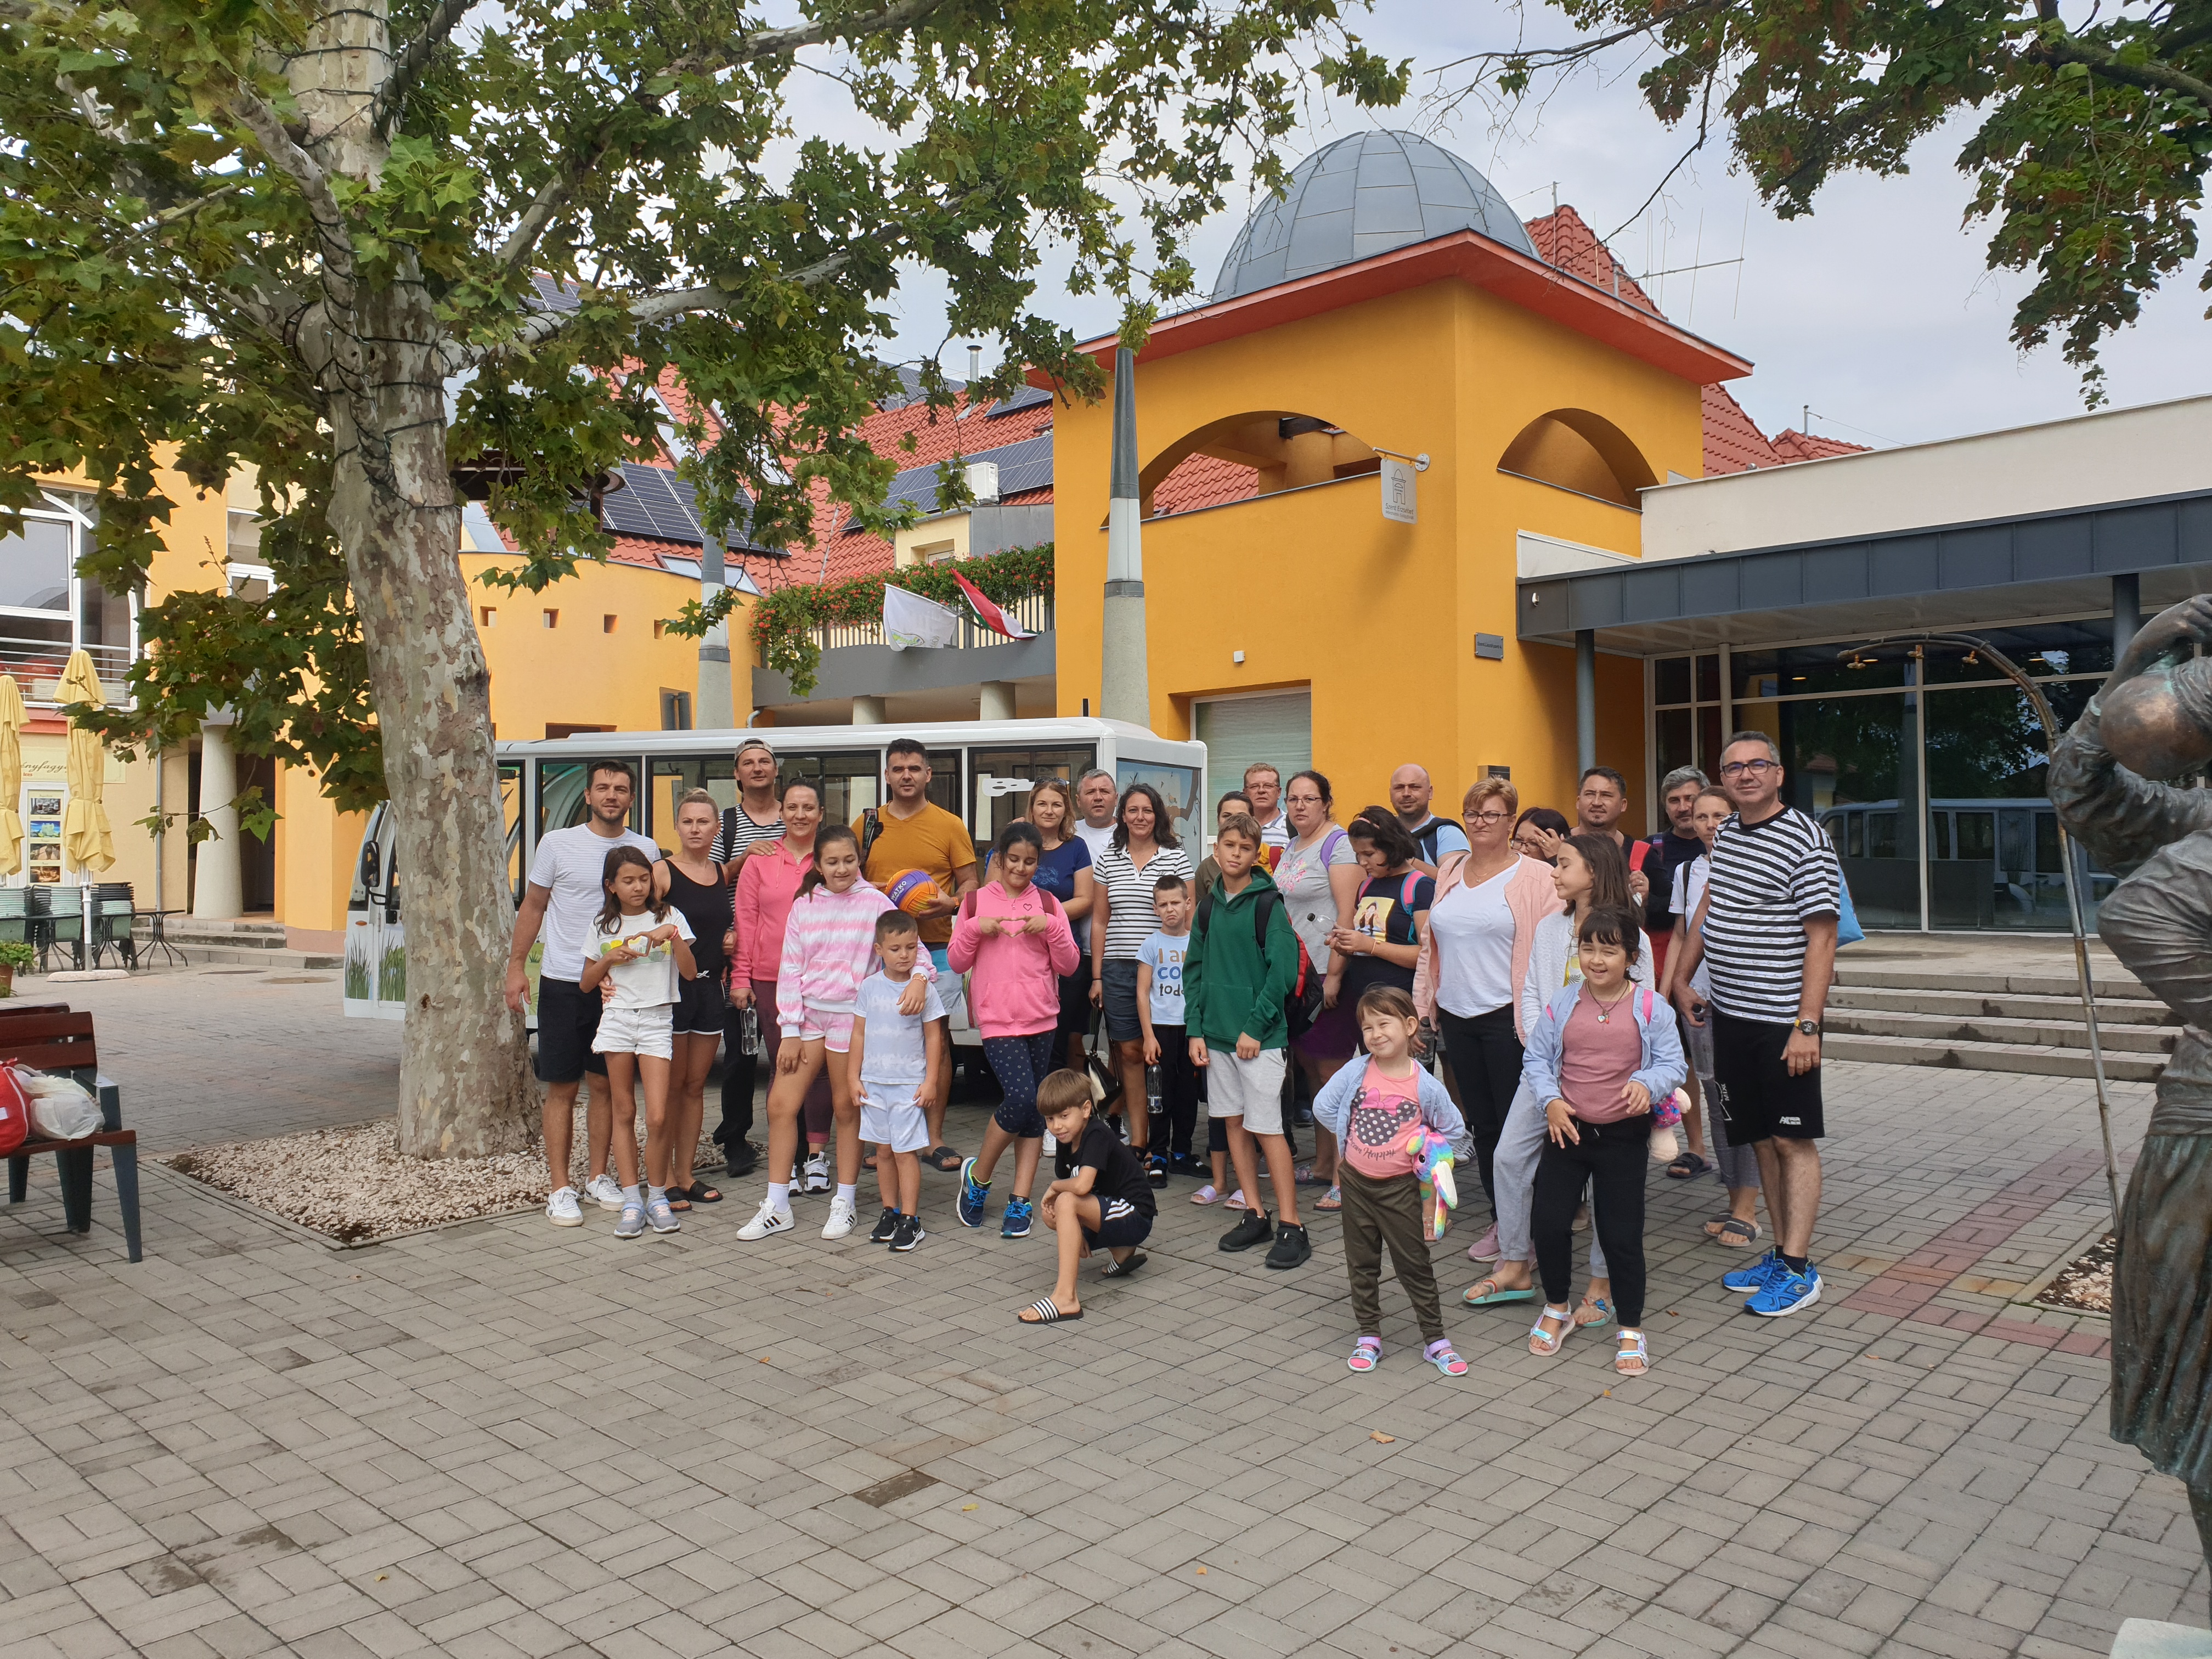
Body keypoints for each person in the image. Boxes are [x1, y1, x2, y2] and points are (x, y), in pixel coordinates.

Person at [1671, 731, 1839, 1319]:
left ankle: (1799, 1269)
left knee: (1793, 1139)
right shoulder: (1729, 836)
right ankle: (1780, 1252)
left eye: (1757, 765)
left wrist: (1807, 1025)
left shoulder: (1806, 840)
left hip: (1781, 1021)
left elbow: (1822, 937)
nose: (1745, 775)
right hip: (1731, 1016)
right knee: (1762, 1139)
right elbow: (1709, 908)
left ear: (1779, 774)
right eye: (1734, 767)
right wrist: (1681, 978)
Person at [1465, 833, 1653, 1319]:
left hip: (1609, 1078)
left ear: (1594, 870)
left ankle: (1602, 1282)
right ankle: (1515, 1263)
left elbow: (1646, 1006)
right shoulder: (1551, 927)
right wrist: (1542, 1049)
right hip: (1547, 1071)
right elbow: (1531, 992)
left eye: (1564, 864)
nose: (1554, 872)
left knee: (1606, 1182)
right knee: (1509, 1157)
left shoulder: (1630, 932)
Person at [736, 824, 934, 1243]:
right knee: (781, 1105)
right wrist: (790, 1029)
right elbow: (790, 968)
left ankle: (844, 1201)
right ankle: (777, 1206)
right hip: (808, 1021)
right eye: (832, 861)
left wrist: (919, 978)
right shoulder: (804, 905)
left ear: (859, 859)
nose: (841, 868)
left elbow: (916, 953)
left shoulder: (876, 903)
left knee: (847, 1108)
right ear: (819, 865)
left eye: (849, 860)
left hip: (852, 1021)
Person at [1522, 904, 1685, 1375]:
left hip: (1623, 1137)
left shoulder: (1651, 1007)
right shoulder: (1563, 1002)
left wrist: (1648, 1082)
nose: (1596, 959)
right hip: (1568, 1132)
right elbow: (1536, 1059)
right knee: (1549, 1223)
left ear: (1631, 957)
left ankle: (1631, 1328)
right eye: (1588, 948)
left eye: (1609, 951)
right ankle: (1556, 1308)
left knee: (1621, 1235)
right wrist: (1551, 1101)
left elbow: (1674, 1065)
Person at [505, 759, 661, 1227]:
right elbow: (534, 905)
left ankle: (598, 1177)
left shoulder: (646, 848)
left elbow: (659, 911)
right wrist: (516, 967)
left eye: (621, 789)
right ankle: (560, 1188)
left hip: (619, 989)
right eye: (603, 788)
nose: (612, 795)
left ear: (631, 798)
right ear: (589, 796)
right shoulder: (557, 844)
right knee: (563, 1087)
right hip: (564, 982)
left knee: (605, 1087)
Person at [1413, 777, 1561, 1262]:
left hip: (1510, 1020)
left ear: (1511, 821)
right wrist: (1423, 1007)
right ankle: (1505, 1222)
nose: (1480, 823)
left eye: (1492, 814)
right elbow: (1430, 946)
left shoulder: (1537, 876)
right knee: (1484, 1127)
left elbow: (1554, 950)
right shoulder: (1451, 869)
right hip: (1457, 1016)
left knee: (1521, 1132)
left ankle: (1538, 1229)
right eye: (1473, 814)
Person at [1313, 986, 1469, 1377]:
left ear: (1410, 1025)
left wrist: (1427, 1149)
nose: (1376, 1034)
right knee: (1361, 1263)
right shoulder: (1356, 1071)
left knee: (1414, 1264)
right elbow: (1323, 1106)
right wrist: (1349, 1140)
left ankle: (1435, 1340)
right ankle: (1369, 1335)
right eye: (1368, 1028)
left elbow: (1455, 1130)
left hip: (1400, 1190)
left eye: (1384, 1024)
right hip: (1355, 1183)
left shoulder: (1425, 1085)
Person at [1183, 811, 1309, 1268]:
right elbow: (1194, 971)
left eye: (1245, 848)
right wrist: (1195, 1030)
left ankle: (1292, 1224)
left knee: (1267, 1129)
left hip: (1260, 1039)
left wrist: (1255, 1028)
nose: (1235, 854)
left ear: (1256, 855)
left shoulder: (1268, 905)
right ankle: (1255, 1213)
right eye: (1229, 845)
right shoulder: (1207, 907)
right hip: (1216, 1038)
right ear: (1216, 851)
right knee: (1233, 1124)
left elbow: (1282, 973)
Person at [951, 821, 1081, 1239]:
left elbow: (1069, 966)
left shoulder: (1048, 903)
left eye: (1029, 861)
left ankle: (1020, 1198)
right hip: (997, 1019)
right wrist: (976, 928)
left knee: (1035, 1109)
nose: (1021, 868)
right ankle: (979, 1177)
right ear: (999, 858)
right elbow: (956, 961)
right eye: (1013, 860)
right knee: (1022, 1097)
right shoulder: (975, 902)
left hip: (1041, 1016)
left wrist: (1052, 927)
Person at [854, 738, 977, 1171]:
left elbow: (971, 885)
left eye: (914, 768)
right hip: (879, 953)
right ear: (887, 775)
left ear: (928, 774)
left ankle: (931, 1138)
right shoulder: (867, 824)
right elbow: (846, 876)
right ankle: (885, 1139)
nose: (906, 775)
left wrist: (950, 903)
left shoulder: (949, 825)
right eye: (898, 768)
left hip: (937, 948)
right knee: (880, 1039)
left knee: (935, 1041)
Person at [1663, 785, 1766, 1249]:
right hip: (1699, 1000)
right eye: (1702, 817)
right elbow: (1681, 935)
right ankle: (1733, 1198)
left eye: (1720, 816)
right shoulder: (1687, 871)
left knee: (1743, 1100)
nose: (1709, 825)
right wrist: (1670, 991)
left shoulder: (1755, 865)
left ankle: (1749, 1207)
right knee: (1716, 1098)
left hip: (1747, 1001)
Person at [578, 845, 698, 1239]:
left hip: (657, 1019)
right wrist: (609, 960)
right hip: (617, 1020)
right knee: (624, 1110)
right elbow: (586, 983)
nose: (638, 887)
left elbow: (690, 973)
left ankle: (658, 1197)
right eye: (628, 881)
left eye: (644, 879)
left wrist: (672, 936)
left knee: (658, 1115)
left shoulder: (669, 916)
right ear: (611, 886)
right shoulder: (602, 925)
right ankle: (632, 1201)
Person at [1316, 809, 1434, 1211]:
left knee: (1407, 1100)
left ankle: (1417, 1188)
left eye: (1369, 854)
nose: (1363, 862)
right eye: (1358, 855)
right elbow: (1363, 934)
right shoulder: (1368, 884)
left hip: (1400, 1008)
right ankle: (1353, 1176)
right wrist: (1345, 945)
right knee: (1365, 1093)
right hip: (1363, 1002)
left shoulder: (1419, 887)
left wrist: (1369, 946)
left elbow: (1426, 954)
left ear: (1391, 845)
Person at [730, 780, 836, 1194]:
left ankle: (816, 1156)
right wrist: (741, 977)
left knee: (822, 1070)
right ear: (782, 813)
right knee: (784, 1064)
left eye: (808, 807)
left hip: (823, 980)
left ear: (821, 813)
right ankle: (786, 1159)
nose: (800, 815)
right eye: (792, 807)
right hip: (771, 978)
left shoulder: (830, 860)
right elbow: (746, 921)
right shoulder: (760, 861)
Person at [1089, 782, 1195, 1165]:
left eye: (1147, 810)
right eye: (1133, 810)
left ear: (1158, 815)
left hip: (1167, 968)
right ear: (1122, 816)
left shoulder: (1175, 856)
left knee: (1166, 1053)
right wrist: (1097, 977)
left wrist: (1190, 968)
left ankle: (1168, 1141)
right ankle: (1140, 1139)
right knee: (1130, 1053)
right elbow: (1100, 921)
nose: (1140, 817)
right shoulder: (1109, 858)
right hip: (1119, 968)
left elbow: (1190, 916)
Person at [1015, 1070, 1158, 1324]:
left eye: (1064, 1116)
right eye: (1050, 1119)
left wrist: (1054, 1188)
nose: (1057, 1126)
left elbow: (1081, 1186)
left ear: (1085, 1109)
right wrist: (1075, 1229)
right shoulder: (1066, 1140)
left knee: (1065, 1201)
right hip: (1111, 1211)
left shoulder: (1096, 1133)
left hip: (1136, 1214)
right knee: (1053, 1214)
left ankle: (1066, 1298)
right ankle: (1122, 1251)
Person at [1277, 770, 1361, 1187]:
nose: (1300, 806)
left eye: (1309, 799)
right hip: (1299, 975)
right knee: (1312, 1072)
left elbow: (1347, 914)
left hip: (1327, 972)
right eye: (1293, 799)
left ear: (1327, 803)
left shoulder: (1338, 845)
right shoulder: (1293, 845)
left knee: (1333, 1074)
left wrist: (1336, 975)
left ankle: (1346, 1176)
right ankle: (1325, 1163)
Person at [652, 789, 731, 1211]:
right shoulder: (662, 873)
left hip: (709, 989)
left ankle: (686, 1174)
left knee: (696, 1086)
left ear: (716, 828)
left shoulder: (721, 872)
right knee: (671, 1088)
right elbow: (634, 922)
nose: (696, 829)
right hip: (671, 992)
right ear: (677, 827)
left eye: (704, 822)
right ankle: (663, 1176)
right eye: (688, 821)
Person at [851, 910, 947, 1252]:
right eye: (895, 949)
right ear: (879, 950)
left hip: (908, 1085)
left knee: (906, 1152)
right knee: (883, 1151)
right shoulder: (869, 987)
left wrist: (931, 1081)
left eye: (910, 947)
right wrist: (853, 1077)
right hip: (874, 1084)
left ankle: (911, 1218)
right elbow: (858, 1034)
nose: (904, 955)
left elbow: (934, 1038)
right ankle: (889, 1211)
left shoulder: (924, 990)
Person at [712, 736, 784, 1175]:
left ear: (776, 770)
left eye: (764, 761)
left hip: (789, 955)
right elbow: (707, 879)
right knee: (741, 1052)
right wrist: (743, 859)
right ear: (737, 774)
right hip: (738, 952)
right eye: (748, 763)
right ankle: (735, 1139)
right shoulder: (726, 825)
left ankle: (796, 1141)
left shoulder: (795, 816)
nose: (757, 768)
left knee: (789, 1051)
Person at [1644, 765, 1714, 1181]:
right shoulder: (1653, 849)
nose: (1684, 808)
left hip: (1727, 978)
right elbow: (1674, 926)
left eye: (1692, 799)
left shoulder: (1734, 850)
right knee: (1685, 1063)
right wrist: (1668, 987)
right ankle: (1697, 1148)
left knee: (1720, 1071)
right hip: (1673, 972)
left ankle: (1741, 1152)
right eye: (1675, 800)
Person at [1011, 777, 1096, 1075]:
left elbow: (1086, 900)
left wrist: (1045, 918)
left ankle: (1056, 1101)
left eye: (1057, 804)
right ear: (1032, 808)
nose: (1049, 811)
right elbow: (993, 892)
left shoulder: (1077, 847)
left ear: (1067, 810)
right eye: (1042, 804)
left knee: (1059, 1042)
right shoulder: (1015, 842)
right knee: (1024, 1038)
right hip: (1019, 955)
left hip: (1064, 957)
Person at [1137, 873, 1200, 1183]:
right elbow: (1142, 993)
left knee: (1188, 1094)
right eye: (1163, 905)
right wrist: (1148, 1036)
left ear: (1188, 904)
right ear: (1155, 909)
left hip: (1190, 1030)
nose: (1170, 909)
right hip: (1160, 1031)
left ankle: (1182, 1154)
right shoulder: (1152, 944)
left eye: (1176, 903)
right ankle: (1159, 1154)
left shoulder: (1198, 943)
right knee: (1159, 1095)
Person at [1525, 768, 1652, 904]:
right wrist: (1556, 860)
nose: (1597, 802)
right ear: (1578, 801)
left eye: (1606, 795)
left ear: (1623, 805)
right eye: (1590, 794)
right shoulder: (1550, 843)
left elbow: (1665, 908)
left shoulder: (1643, 854)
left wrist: (1646, 898)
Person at [1389, 764, 1470, 875]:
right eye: (1399, 788)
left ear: (1430, 792)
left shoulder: (1448, 833)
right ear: (1390, 794)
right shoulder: (1379, 832)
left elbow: (1453, 880)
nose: (1406, 794)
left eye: (1414, 787)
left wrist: (1404, 859)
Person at [1192, 790, 1254, 906]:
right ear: (1218, 820)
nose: (1233, 821)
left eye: (1240, 816)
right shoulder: (1206, 868)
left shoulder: (1264, 860)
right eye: (1227, 816)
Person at [1242, 763, 1290, 863]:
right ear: (1245, 793)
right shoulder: (1239, 826)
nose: (1261, 791)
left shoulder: (1294, 827)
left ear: (1279, 792)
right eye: (1254, 786)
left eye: (1268, 786)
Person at [1074, 768, 1120, 864]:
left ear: (1116, 799)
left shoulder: (1130, 833)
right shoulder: (1068, 833)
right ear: (1079, 801)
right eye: (1091, 792)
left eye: (1104, 791)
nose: (1098, 798)